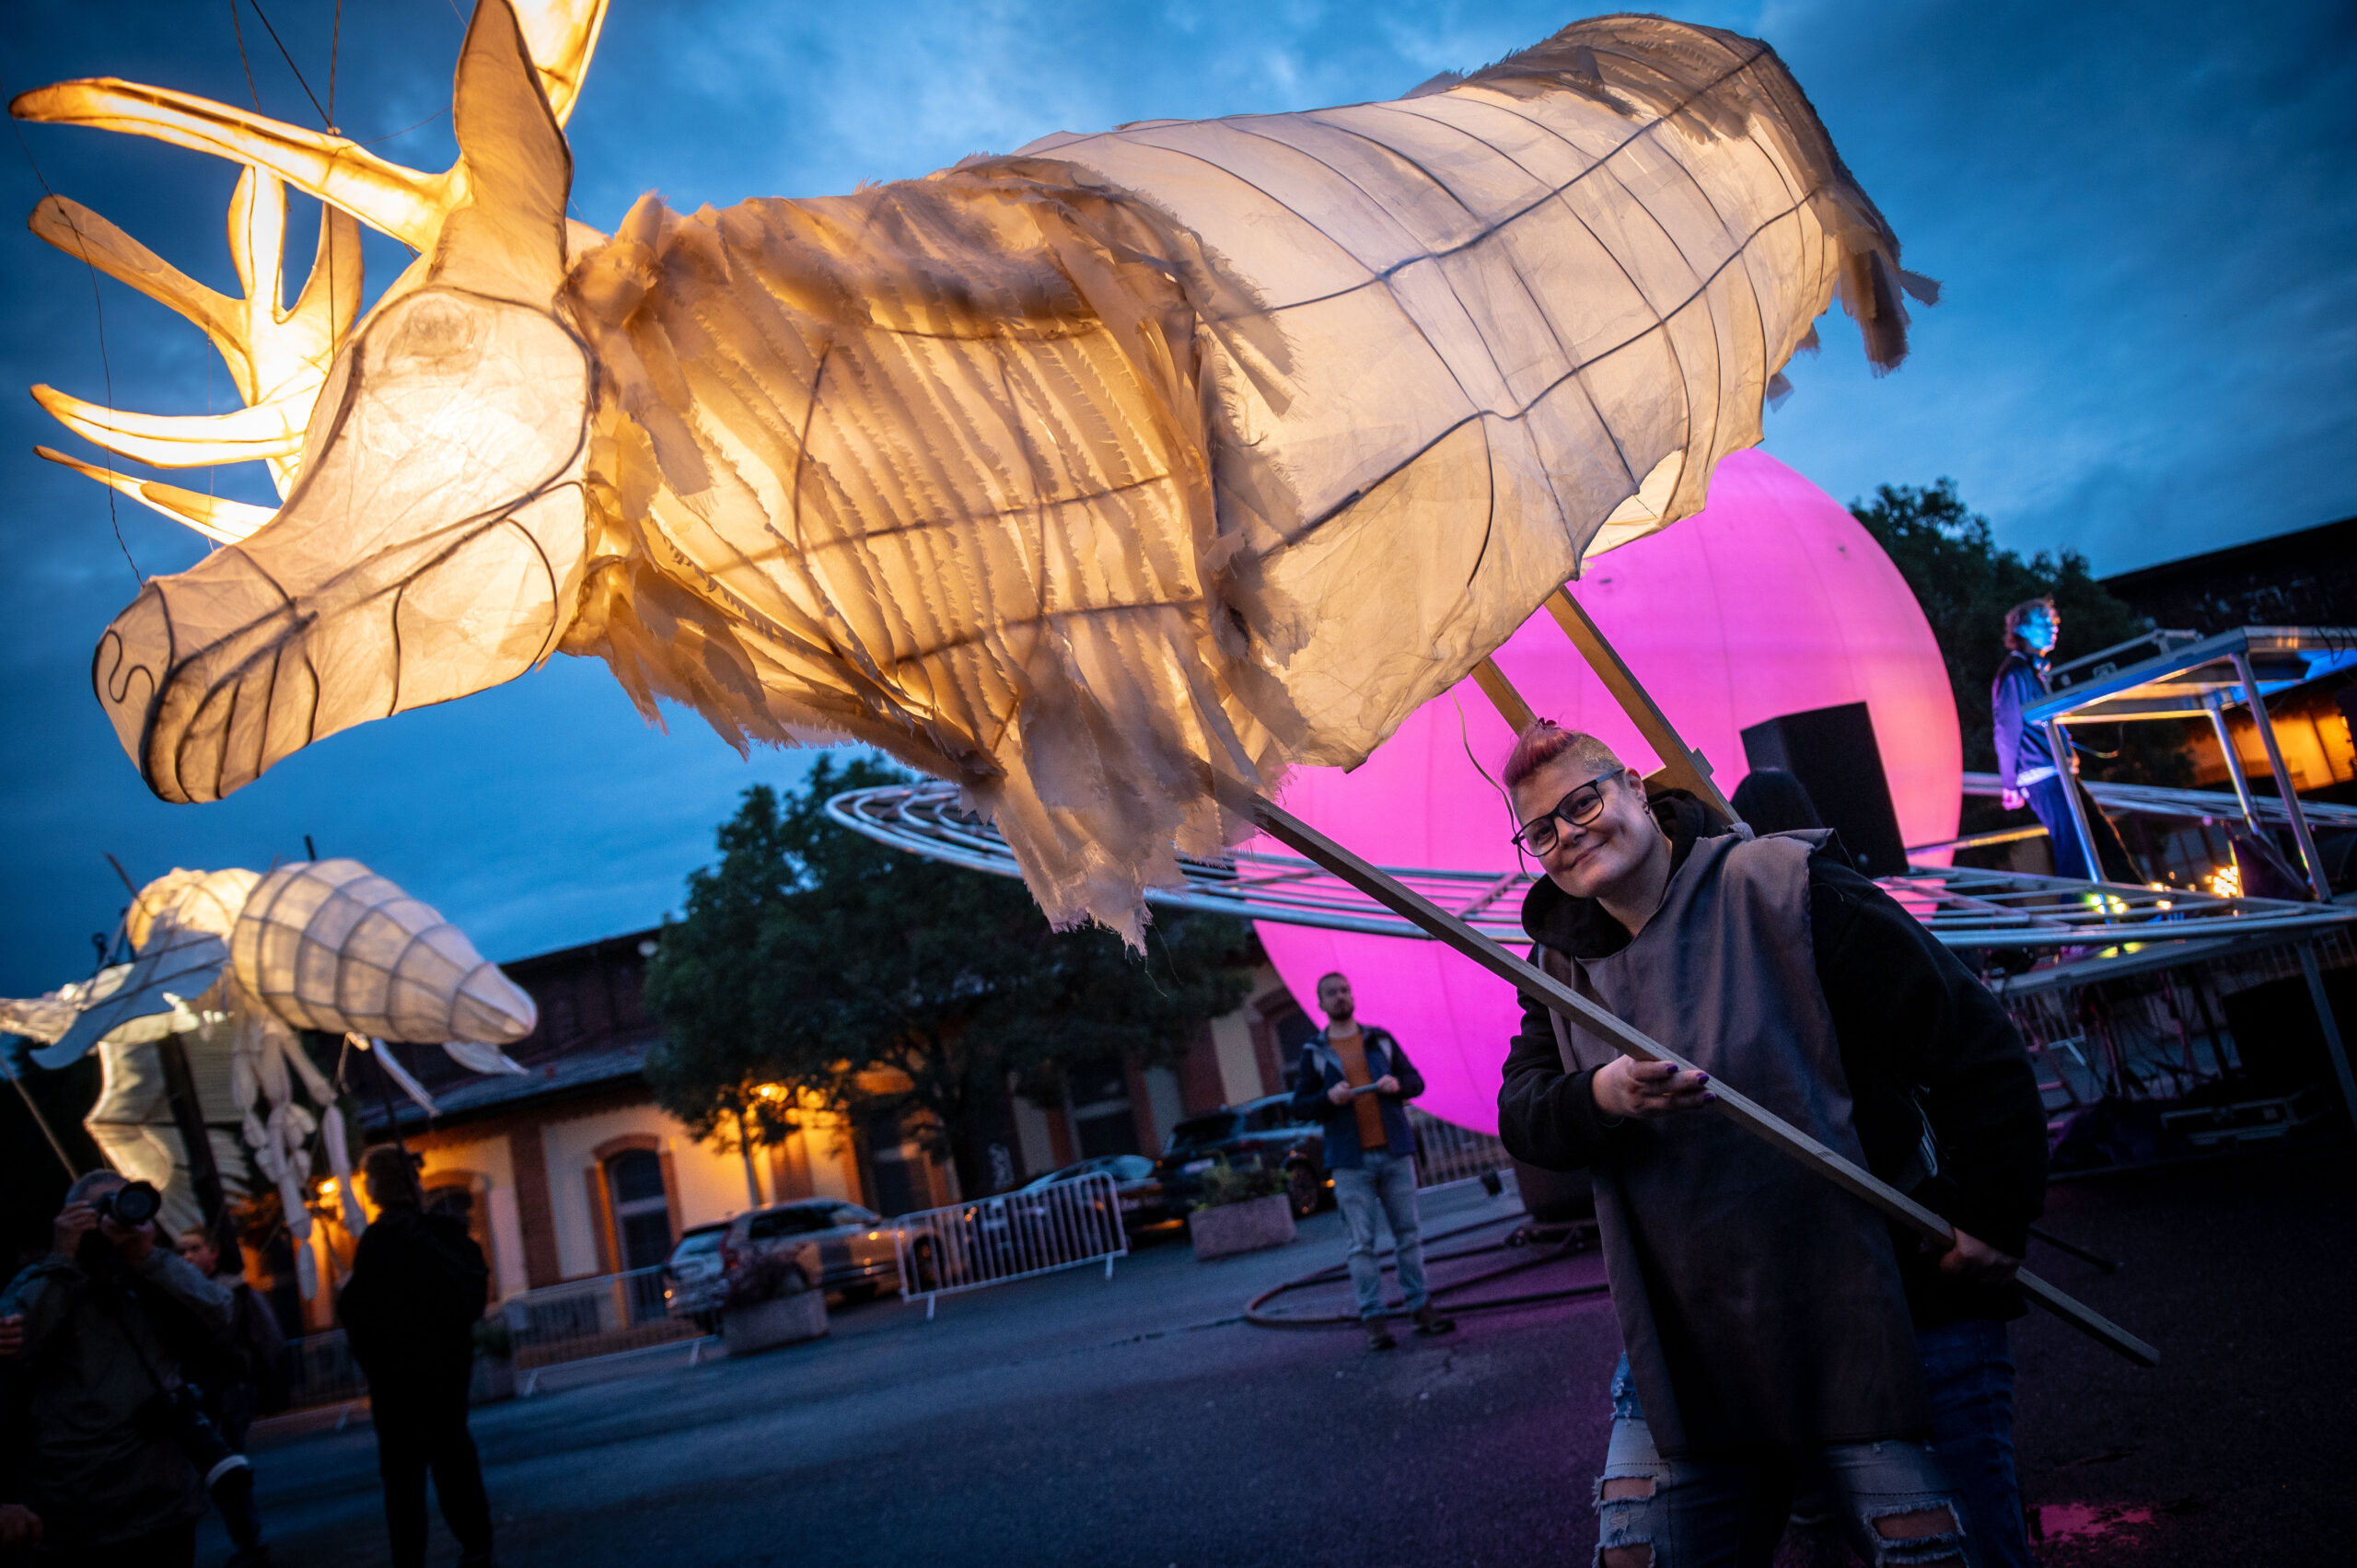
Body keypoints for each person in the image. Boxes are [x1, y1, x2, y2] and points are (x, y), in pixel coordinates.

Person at [1495, 723, 2049, 1568]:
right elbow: (1524, 1111)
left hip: (1884, 1305)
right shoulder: (1556, 970)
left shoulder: (1787, 885)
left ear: (1636, 787)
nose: (1567, 834)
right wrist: (1601, 1093)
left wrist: (1992, 1213)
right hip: (1691, 1334)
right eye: (1541, 828)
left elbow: (1969, 1040)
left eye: (1582, 802)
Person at [0, 1171, 234, 1567]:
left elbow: (220, 1313)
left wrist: (148, 1258)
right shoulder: (44, 1279)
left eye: (123, 1204)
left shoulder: (153, 1272)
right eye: (100, 1208)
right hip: (75, 1509)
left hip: (163, 1503)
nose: (114, 1217)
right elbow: (19, 1340)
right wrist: (63, 1257)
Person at [339, 1145, 496, 1568]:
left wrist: (375, 1360)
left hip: (397, 1380)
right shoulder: (442, 1234)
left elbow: (358, 1312)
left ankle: (410, 1557)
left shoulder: (379, 1242)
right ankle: (477, 1544)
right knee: (453, 1458)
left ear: (377, 1186)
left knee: (403, 1475)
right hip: (446, 1371)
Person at [1287, 971, 1456, 1351]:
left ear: (1352, 996)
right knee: (1361, 1245)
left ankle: (1420, 1307)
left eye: (1344, 990)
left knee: (1408, 1235)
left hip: (1395, 1153)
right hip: (1350, 1161)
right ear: (1320, 1003)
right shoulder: (1315, 1051)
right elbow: (1298, 1106)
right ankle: (1374, 1319)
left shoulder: (1380, 1039)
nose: (1340, 996)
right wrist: (1328, 1098)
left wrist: (1397, 1085)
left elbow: (1416, 1082)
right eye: (1332, 993)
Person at [1991, 597, 2133, 883]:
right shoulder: (2015, 672)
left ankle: (2142, 902)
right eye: (2043, 622)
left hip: (2056, 771)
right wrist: (2010, 784)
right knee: (2076, 847)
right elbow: (2006, 729)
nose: (2052, 627)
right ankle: (2078, 908)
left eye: (2052, 621)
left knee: (2099, 839)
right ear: (2022, 629)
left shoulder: (2031, 670)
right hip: (2043, 774)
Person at [179, 1227, 284, 1564]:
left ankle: (249, 1542)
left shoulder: (234, 1294)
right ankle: (245, 1541)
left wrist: (252, 1380)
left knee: (228, 1469)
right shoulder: (182, 1292)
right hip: (202, 1391)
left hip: (229, 1390)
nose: (187, 1256)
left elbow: (268, 1338)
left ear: (213, 1252)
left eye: (194, 1248)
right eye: (182, 1250)